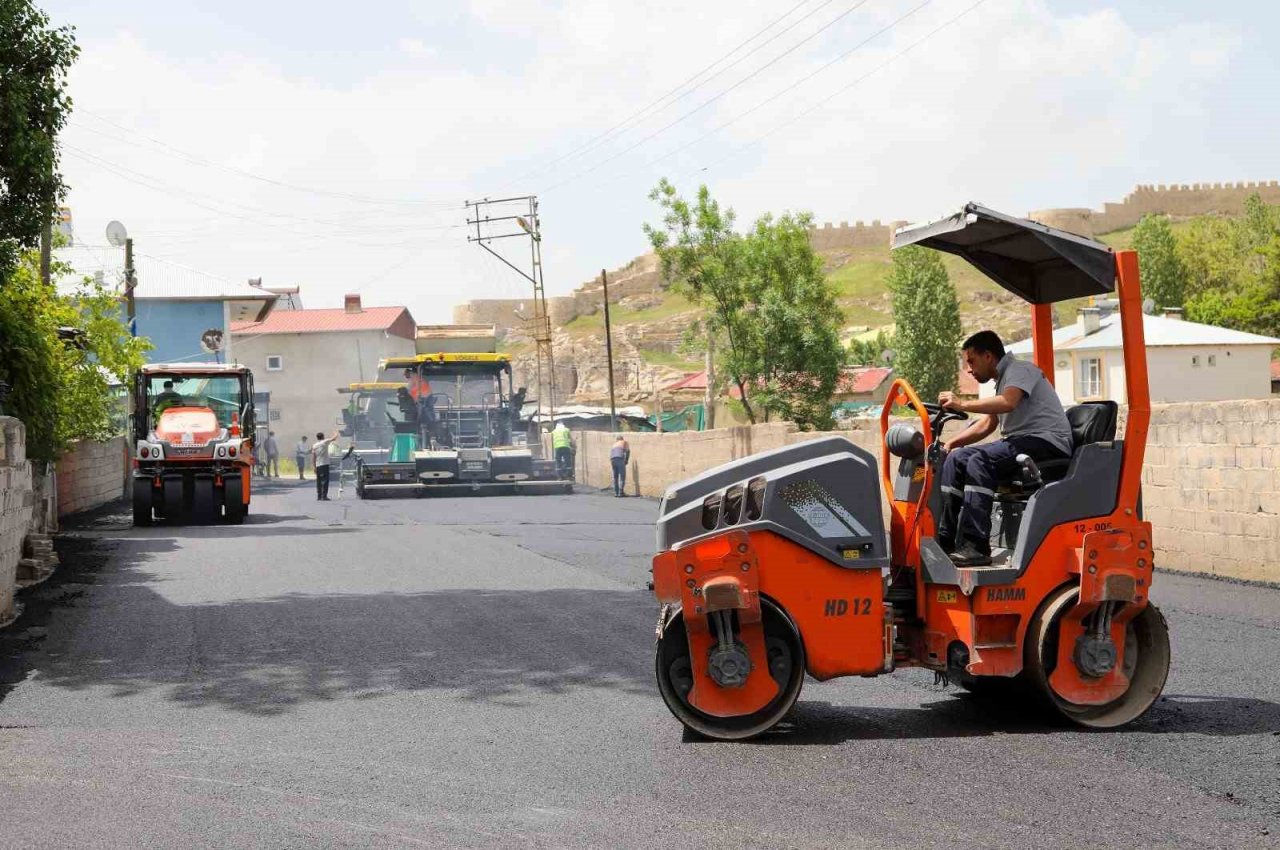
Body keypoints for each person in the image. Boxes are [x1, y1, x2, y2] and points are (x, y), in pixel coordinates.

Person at [936, 330, 1073, 566]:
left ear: (988, 356)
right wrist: (952, 443)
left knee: (980, 460)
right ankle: (945, 539)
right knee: (958, 459)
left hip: (1047, 442)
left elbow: (1008, 402)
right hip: (1023, 441)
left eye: (971, 361)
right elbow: (989, 423)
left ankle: (976, 546)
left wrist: (962, 403)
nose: (969, 368)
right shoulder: (1002, 381)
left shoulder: (1020, 370)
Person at [311, 431, 339, 500]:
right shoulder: (325, 442)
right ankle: (324, 496)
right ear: (323, 437)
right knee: (325, 481)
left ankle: (319, 496)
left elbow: (313, 457)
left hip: (318, 465)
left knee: (319, 481)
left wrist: (314, 467)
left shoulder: (314, 445)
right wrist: (336, 433)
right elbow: (334, 438)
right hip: (324, 464)